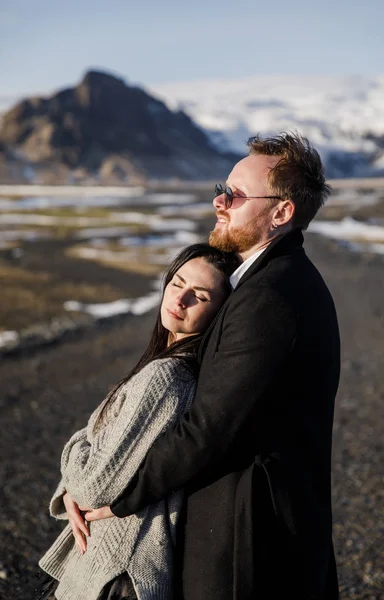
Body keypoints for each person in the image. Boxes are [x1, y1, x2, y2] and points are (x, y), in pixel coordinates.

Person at [85, 132, 341, 600]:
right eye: (222, 188)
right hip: (259, 527)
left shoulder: (271, 299)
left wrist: (117, 499)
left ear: (281, 213)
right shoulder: (273, 282)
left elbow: (208, 429)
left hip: (248, 536)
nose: (220, 201)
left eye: (236, 195)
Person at [37, 243, 239, 600]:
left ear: (219, 313)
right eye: (177, 283)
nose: (179, 299)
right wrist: (72, 484)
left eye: (200, 296)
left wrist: (73, 470)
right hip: (118, 561)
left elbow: (92, 487)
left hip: (113, 573)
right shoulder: (177, 368)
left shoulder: (166, 377)